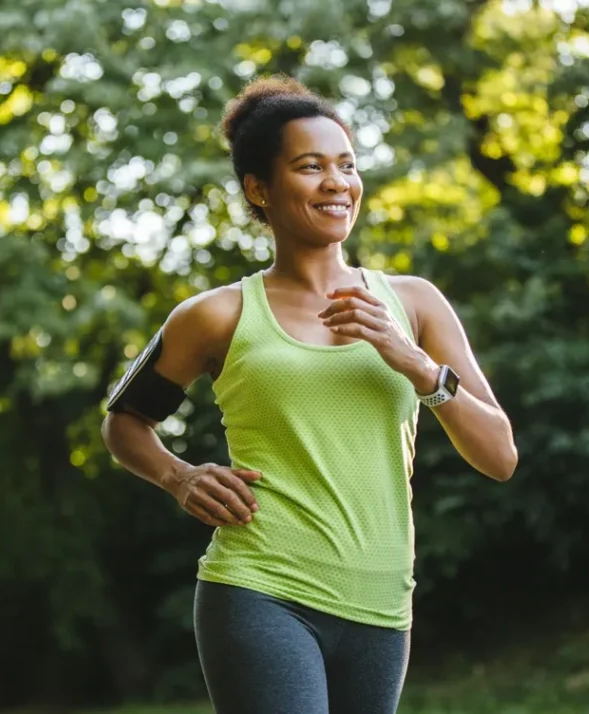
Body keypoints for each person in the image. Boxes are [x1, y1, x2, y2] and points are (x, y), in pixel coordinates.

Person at [101, 75, 518, 714]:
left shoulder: (414, 304)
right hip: (260, 587)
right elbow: (124, 422)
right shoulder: (216, 315)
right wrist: (179, 478)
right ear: (259, 189)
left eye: (347, 166)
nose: (336, 182)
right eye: (310, 166)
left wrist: (414, 363)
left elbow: (500, 455)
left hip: (382, 601)